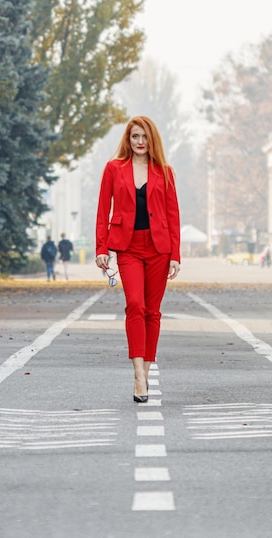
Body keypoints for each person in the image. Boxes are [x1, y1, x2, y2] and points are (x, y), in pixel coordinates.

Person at [95, 115, 181, 403]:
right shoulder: (113, 169)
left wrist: (175, 255)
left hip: (159, 248)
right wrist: (101, 249)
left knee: (152, 312)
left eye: (144, 137)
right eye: (135, 137)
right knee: (135, 305)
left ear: (152, 139)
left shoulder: (165, 172)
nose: (140, 142)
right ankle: (137, 374)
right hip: (128, 247)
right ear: (127, 140)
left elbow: (173, 216)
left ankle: (145, 370)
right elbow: (102, 211)